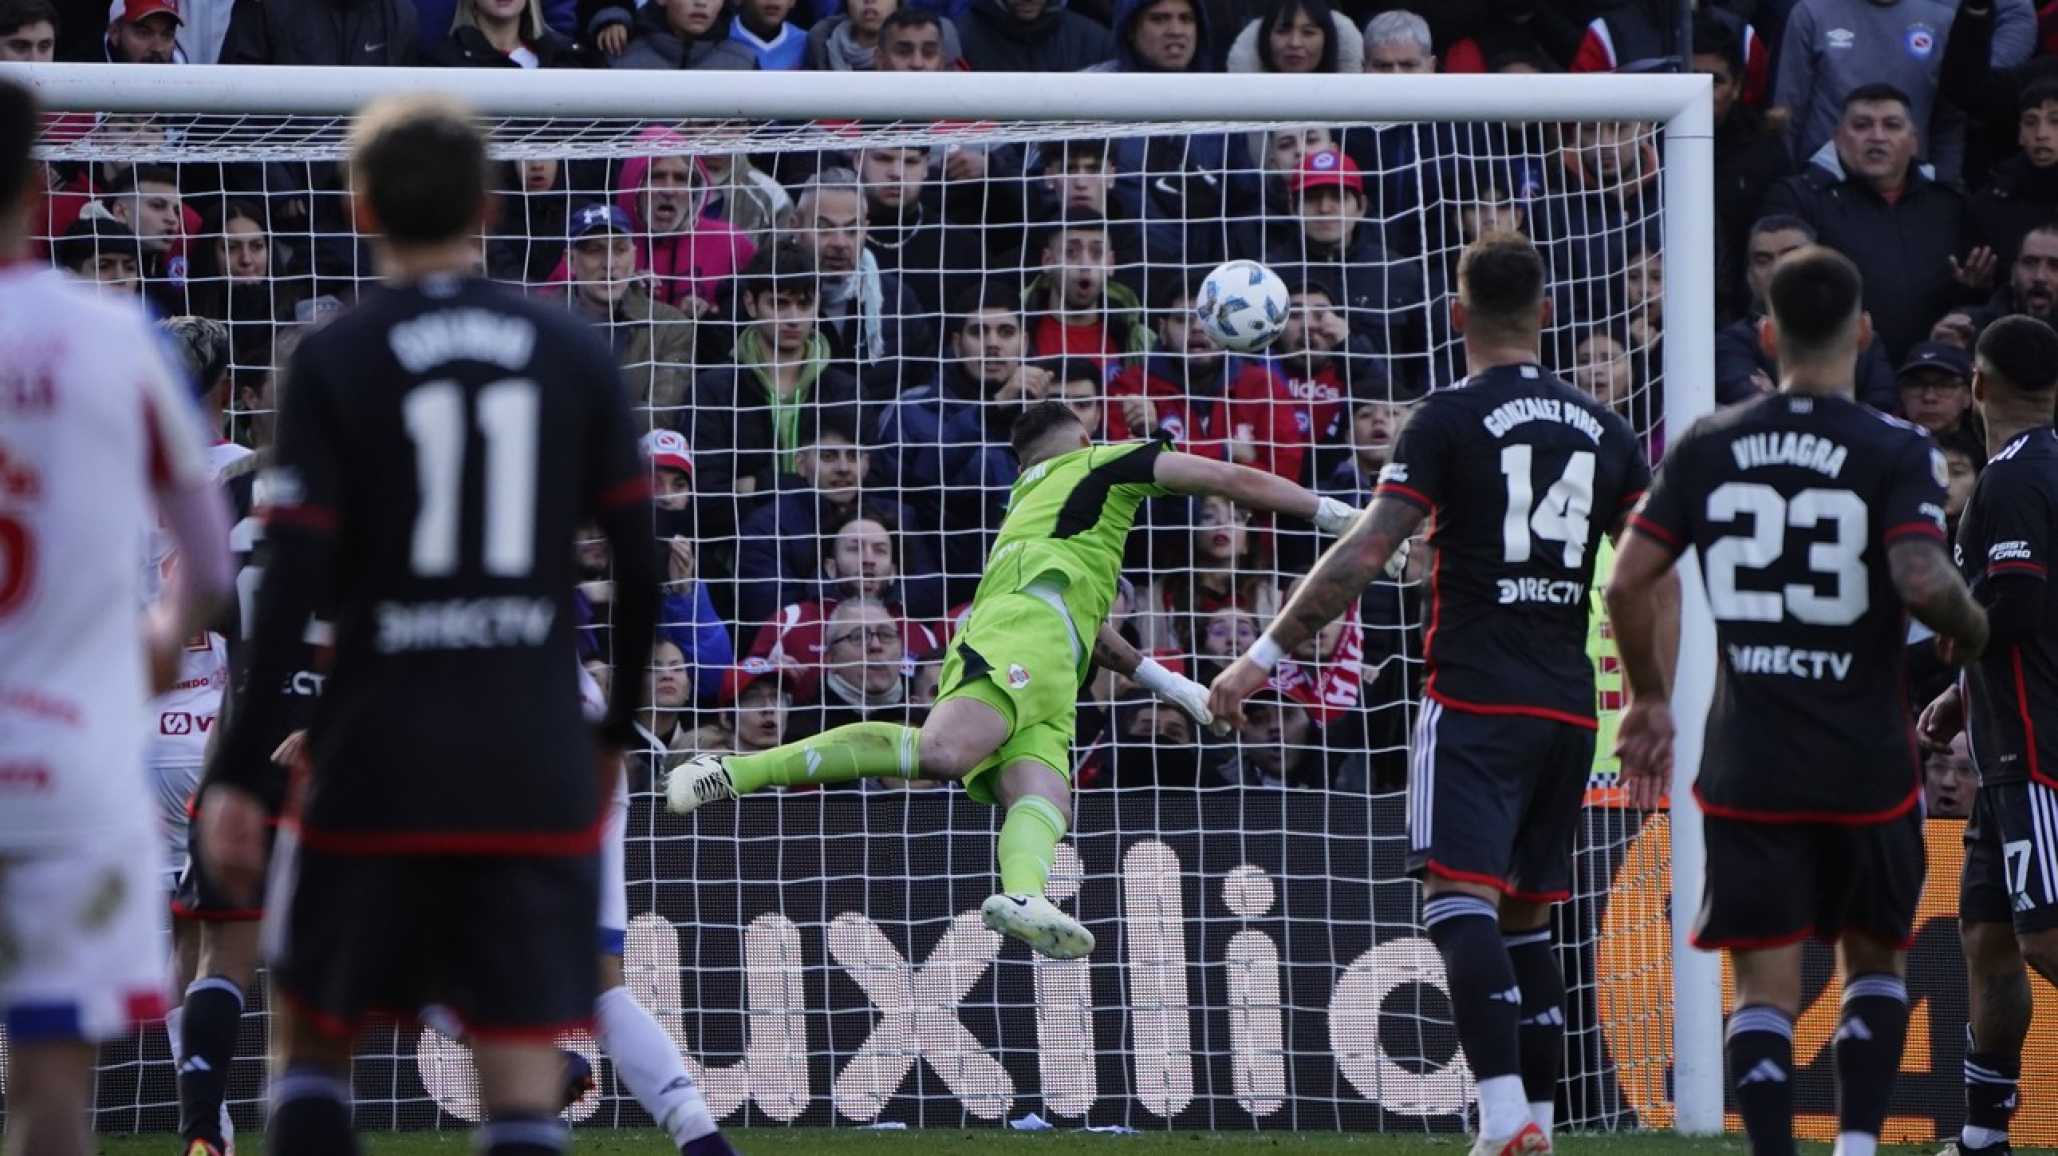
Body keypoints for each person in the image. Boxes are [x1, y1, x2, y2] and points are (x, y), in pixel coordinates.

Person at [195, 93, 663, 1156]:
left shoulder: (334, 356)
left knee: (313, 1041)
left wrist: (240, 773)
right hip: (528, 746)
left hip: (379, 747)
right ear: (489, 205)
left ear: (360, 208)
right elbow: (639, 567)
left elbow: (289, 585)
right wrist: (613, 730)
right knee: (518, 1068)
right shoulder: (570, 345)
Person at [1208, 232, 1663, 1156]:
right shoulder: (1608, 430)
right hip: (1572, 708)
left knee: (1458, 900)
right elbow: (1651, 572)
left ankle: (1498, 1119)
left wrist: (1259, 656)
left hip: (1475, 692)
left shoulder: (1445, 420)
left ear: (1456, 317)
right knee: (1529, 919)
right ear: (1544, 315)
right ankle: (1536, 1124)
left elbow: (1368, 553)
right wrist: (1656, 697)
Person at [669, 399, 1362, 959]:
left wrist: (1175, 687)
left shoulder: (1043, 509)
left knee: (1044, 798)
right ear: (1085, 438)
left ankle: (1024, 895)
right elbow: (1229, 480)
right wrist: (1340, 518)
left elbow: (1089, 626)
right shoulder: (1101, 463)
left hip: (1055, 660)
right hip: (1020, 638)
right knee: (941, 754)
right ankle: (735, 770)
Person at [1604, 246, 1989, 1156]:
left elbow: (1626, 586)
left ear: (1768, 333)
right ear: (1862, 333)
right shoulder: (1898, 447)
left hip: (1750, 754)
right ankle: (1855, 1147)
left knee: (1762, 989)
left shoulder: (1706, 442)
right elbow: (1920, 576)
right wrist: (1969, 629)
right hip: (1865, 756)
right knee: (1874, 964)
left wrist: (1650, 699)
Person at [0, 76, 234, 1156]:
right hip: (79, 750)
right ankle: (208, 1122)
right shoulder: (111, 331)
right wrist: (149, 650)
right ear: (42, 189)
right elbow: (212, 564)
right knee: (55, 1094)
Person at [1912, 315, 2058, 1156]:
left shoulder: (2012, 476)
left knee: (2043, 936)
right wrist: (1964, 698)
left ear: (1977, 386)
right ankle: (1980, 1135)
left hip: (2035, 746)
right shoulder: (2039, 469)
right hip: (2004, 733)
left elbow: (2017, 608)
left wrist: (1952, 626)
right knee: (1989, 933)